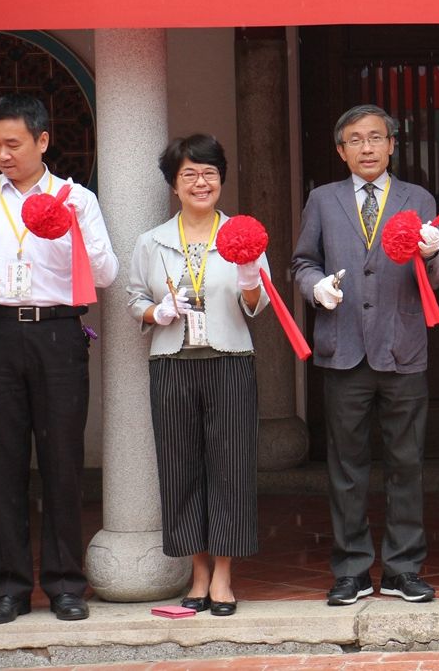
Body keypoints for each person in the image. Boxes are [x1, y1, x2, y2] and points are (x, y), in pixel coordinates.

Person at [0, 94, 118, 624]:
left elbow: (105, 276)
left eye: (13, 143)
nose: (2, 154)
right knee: (3, 463)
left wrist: (78, 224)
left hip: (58, 334)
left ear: (42, 141)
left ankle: (65, 584)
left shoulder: (76, 198)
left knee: (62, 462)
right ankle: (8, 588)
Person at [292, 105, 439, 606]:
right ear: (341, 150)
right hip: (343, 347)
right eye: (355, 140)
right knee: (346, 466)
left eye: (376, 138)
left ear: (392, 145)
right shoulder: (322, 199)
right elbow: (302, 262)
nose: (366, 148)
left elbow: (438, 277)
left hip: (402, 347)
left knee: (407, 464)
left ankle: (404, 568)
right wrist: (317, 290)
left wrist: (430, 254)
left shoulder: (417, 198)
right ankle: (352, 570)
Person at [127, 134, 268, 617]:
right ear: (174, 185)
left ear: (221, 179)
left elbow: (257, 307)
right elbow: (133, 301)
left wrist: (250, 280)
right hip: (172, 364)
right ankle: (199, 571)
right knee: (180, 468)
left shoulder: (244, 234)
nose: (200, 181)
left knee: (230, 468)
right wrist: (156, 313)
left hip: (229, 360)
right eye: (189, 174)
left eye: (209, 172)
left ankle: (224, 575)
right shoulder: (152, 242)